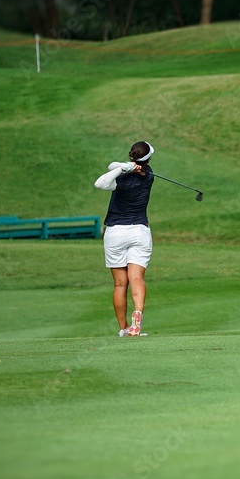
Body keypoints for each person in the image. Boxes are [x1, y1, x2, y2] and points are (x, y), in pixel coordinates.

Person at [94, 141, 156, 337]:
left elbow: (101, 182)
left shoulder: (119, 179)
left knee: (120, 284)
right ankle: (137, 315)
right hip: (139, 232)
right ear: (148, 159)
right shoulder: (149, 174)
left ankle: (123, 328)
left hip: (116, 234)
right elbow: (114, 165)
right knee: (136, 277)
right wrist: (124, 167)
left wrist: (122, 168)